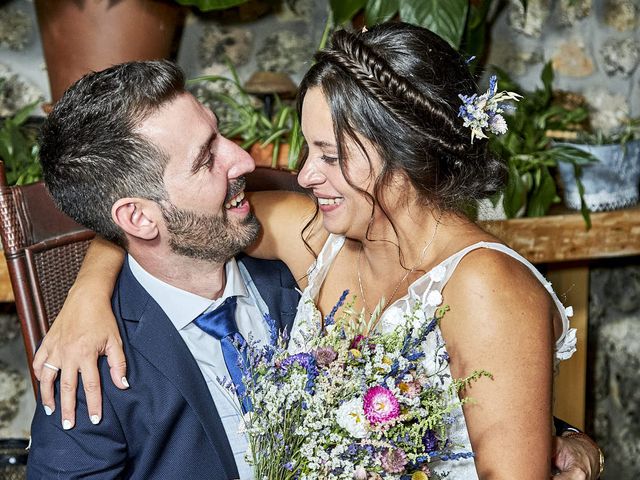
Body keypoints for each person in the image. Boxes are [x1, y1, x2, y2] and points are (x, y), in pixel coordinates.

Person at [33, 24, 603, 479]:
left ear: (400, 154)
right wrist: (86, 296)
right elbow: (154, 231)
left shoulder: (479, 285)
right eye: (309, 149)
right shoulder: (311, 239)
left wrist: (564, 438)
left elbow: (485, 404)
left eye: (328, 155)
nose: (300, 175)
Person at [27, 60, 300, 479]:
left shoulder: (297, 264)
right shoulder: (88, 366)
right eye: (206, 158)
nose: (244, 160)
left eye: (218, 133)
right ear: (138, 218)